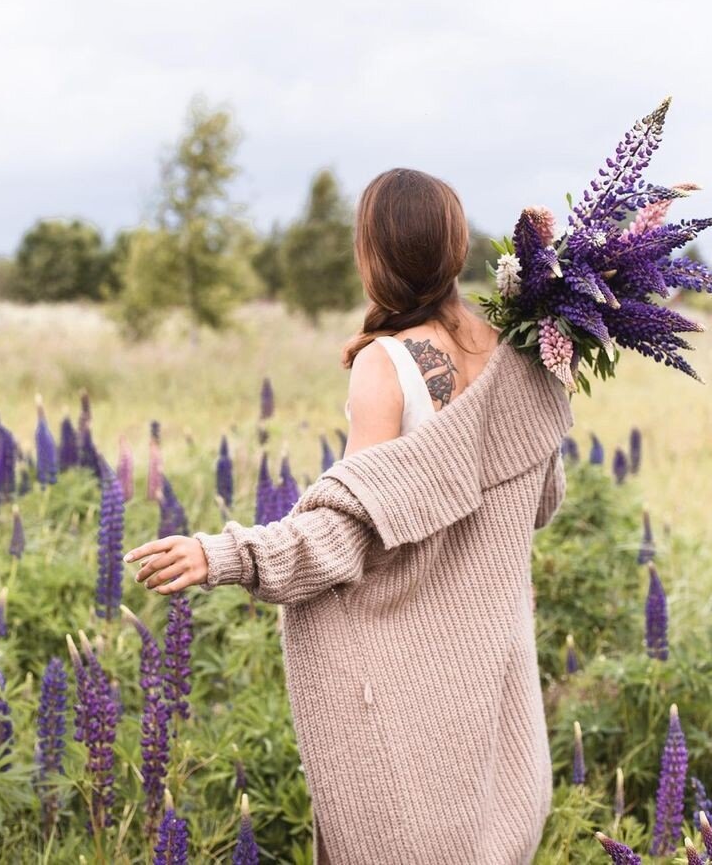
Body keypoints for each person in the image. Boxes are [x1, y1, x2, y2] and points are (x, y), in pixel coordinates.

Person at [124, 168, 574, 864]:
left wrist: (223, 555)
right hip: (490, 678)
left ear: (373, 255)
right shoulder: (523, 359)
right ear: (455, 252)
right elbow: (541, 501)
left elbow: (345, 529)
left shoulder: (384, 366)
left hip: (406, 683)